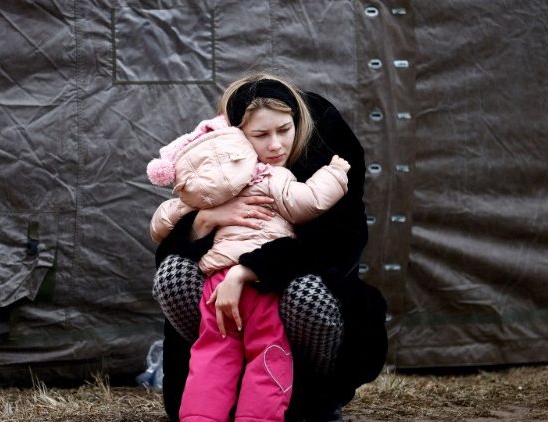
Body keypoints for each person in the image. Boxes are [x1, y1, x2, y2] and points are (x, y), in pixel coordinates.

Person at [151, 72, 388, 421]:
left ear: (297, 125)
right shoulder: (224, 166)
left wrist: (249, 270)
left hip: (292, 285)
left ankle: (313, 402)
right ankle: (213, 401)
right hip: (221, 295)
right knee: (173, 274)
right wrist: (207, 218)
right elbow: (165, 238)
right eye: (260, 135)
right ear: (238, 136)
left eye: (284, 131)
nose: (275, 145)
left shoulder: (317, 155)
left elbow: (336, 246)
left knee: (306, 296)